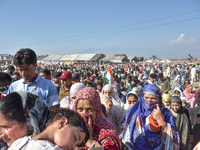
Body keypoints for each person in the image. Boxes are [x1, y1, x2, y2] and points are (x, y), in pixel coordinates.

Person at [121, 84, 180, 150]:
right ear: (142, 97)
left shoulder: (165, 113)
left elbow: (172, 140)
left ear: (159, 99)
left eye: (153, 98)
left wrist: (161, 120)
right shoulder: (135, 112)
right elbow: (128, 137)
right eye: (146, 98)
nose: (149, 101)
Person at [8, 108, 90, 150]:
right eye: (75, 137)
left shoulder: (20, 142)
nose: (73, 147)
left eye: (76, 145)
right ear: (61, 123)